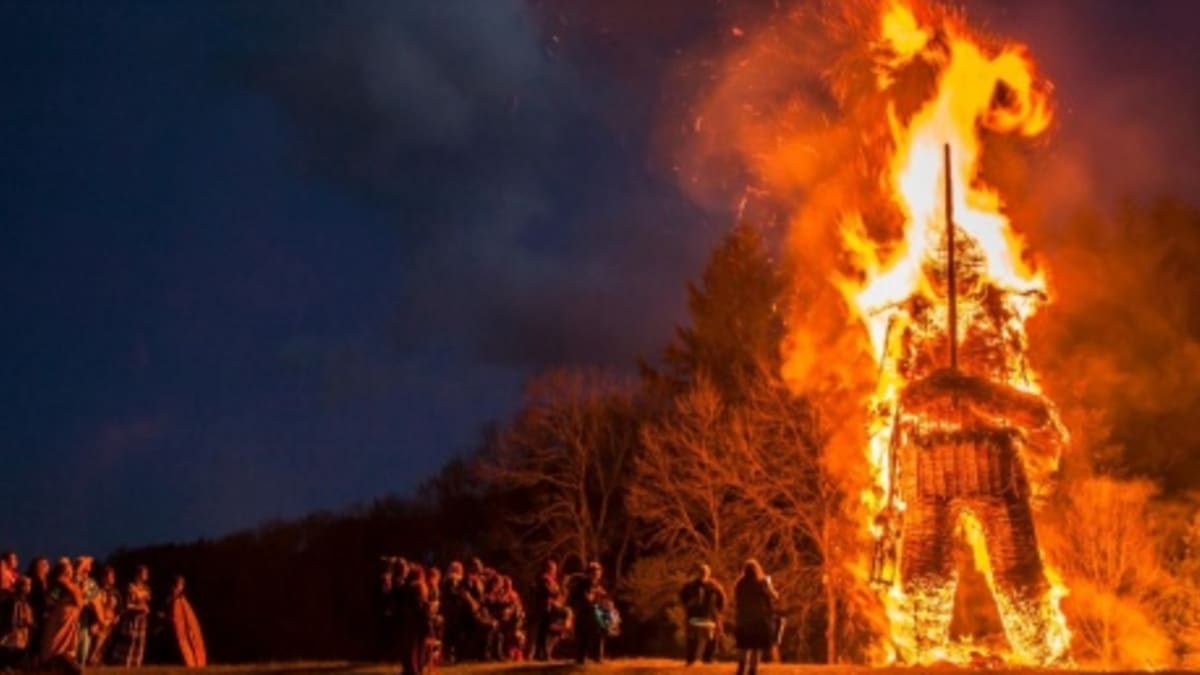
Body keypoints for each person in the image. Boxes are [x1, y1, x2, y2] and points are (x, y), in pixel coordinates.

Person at [733, 560, 777, 675]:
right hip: (759, 619)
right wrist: (769, 583)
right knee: (756, 647)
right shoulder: (762, 583)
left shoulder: (740, 584)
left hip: (744, 619)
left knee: (744, 645)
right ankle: (753, 669)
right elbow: (774, 596)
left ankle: (741, 667)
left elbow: (737, 600)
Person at [39, 558, 83, 668]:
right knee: (56, 641)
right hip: (60, 618)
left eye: (70, 569)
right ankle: (53, 661)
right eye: (67, 570)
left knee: (68, 643)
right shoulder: (59, 584)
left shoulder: (71, 584)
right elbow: (49, 600)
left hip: (70, 617)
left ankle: (66, 660)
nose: (70, 572)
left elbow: (79, 602)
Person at [680, 563, 726, 665]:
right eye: (701, 572)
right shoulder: (690, 586)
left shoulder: (714, 586)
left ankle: (708, 659)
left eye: (704, 572)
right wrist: (689, 604)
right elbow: (683, 599)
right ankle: (690, 660)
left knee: (712, 639)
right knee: (693, 638)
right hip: (694, 616)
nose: (702, 574)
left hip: (709, 616)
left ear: (708, 573)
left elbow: (722, 600)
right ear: (697, 573)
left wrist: (718, 612)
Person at [110, 564, 151, 667]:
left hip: (141, 620)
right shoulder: (131, 587)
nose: (146, 575)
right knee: (129, 641)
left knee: (139, 642)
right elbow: (128, 605)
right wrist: (140, 607)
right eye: (144, 573)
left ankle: (136, 665)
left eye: (146, 573)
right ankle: (124, 664)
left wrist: (144, 606)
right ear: (138, 574)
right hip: (131, 619)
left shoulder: (146, 588)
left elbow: (147, 600)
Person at [567, 561, 608, 665]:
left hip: (592, 612)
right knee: (584, 636)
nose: (598, 575)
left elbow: (601, 597)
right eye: (595, 573)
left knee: (598, 633)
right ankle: (582, 658)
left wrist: (602, 600)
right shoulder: (584, 584)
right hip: (584, 613)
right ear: (590, 573)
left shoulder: (595, 584)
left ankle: (596, 657)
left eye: (599, 572)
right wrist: (595, 598)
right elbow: (585, 599)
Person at [164, 575, 207, 667]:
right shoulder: (171, 599)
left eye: (181, 585)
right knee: (181, 644)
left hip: (184, 627)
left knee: (191, 641)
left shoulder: (182, 599)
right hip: (175, 627)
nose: (179, 588)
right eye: (178, 585)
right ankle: (188, 662)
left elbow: (189, 618)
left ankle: (196, 662)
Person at [395, 566, 431, 675]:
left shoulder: (406, 587)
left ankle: (410, 669)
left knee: (410, 647)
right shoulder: (419, 587)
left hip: (408, 620)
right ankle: (415, 669)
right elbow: (421, 605)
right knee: (418, 647)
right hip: (417, 620)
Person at [87, 565, 121, 666]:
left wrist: (117, 616)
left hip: (109, 620)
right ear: (104, 577)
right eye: (109, 576)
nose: (112, 579)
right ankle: (91, 659)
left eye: (113, 576)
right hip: (98, 619)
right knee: (96, 641)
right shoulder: (97, 590)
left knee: (104, 642)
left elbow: (119, 606)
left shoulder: (115, 592)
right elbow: (92, 604)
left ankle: (98, 659)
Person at [530, 559, 563, 660]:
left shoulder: (551, 580)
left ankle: (541, 653)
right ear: (549, 569)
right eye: (553, 568)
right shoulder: (544, 578)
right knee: (545, 631)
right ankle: (543, 653)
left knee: (545, 630)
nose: (555, 571)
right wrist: (557, 592)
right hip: (545, 607)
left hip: (549, 606)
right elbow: (549, 591)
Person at [0, 576, 35, 669]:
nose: (28, 587)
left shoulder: (26, 602)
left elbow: (28, 616)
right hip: (12, 631)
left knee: (19, 650)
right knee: (9, 648)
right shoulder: (12, 601)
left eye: (29, 585)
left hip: (22, 632)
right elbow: (10, 616)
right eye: (26, 585)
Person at [74, 556, 99, 665]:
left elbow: (97, 604)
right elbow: (55, 597)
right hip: (71, 620)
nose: (88, 567)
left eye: (89, 565)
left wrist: (95, 621)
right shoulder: (70, 580)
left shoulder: (91, 583)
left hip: (85, 620)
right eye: (86, 565)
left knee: (83, 650)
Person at [25, 557, 49, 661]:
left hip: (44, 613)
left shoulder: (47, 581)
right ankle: (29, 660)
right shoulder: (33, 580)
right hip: (34, 612)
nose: (45, 567)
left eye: (46, 564)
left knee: (41, 637)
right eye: (42, 565)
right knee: (33, 637)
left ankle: (37, 659)